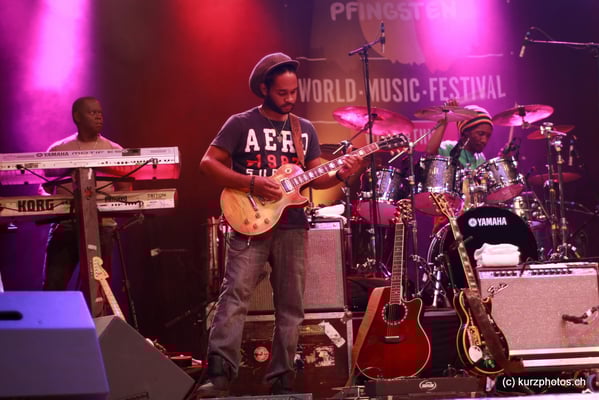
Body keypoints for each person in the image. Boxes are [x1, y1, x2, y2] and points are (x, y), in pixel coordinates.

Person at [194, 52, 362, 397]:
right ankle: (220, 375)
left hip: (292, 225)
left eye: (294, 92)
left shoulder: (304, 129)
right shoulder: (240, 123)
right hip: (248, 221)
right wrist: (251, 183)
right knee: (235, 296)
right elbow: (208, 163)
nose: (290, 99)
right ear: (264, 89)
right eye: (282, 93)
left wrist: (341, 175)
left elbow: (315, 177)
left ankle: (283, 379)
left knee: (291, 305)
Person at [40, 96, 129, 316]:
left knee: (98, 290)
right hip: (66, 226)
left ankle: (93, 332)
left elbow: (126, 189)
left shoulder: (114, 149)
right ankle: (52, 331)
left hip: (101, 226)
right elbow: (43, 187)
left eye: (100, 113)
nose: (99, 117)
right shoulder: (59, 149)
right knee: (54, 287)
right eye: (92, 113)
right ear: (77, 117)